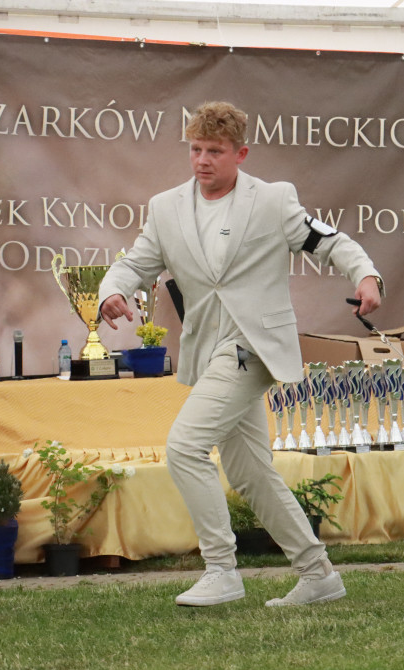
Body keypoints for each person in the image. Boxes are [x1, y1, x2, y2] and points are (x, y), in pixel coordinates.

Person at [99, 101, 384, 607]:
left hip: (253, 348)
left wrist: (365, 276)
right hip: (208, 351)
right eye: (195, 150)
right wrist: (112, 291)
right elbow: (136, 262)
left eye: (215, 151)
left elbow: (327, 241)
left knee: (185, 447)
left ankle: (221, 570)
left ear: (240, 153)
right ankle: (318, 575)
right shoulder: (165, 208)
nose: (203, 160)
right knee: (252, 474)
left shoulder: (273, 201)